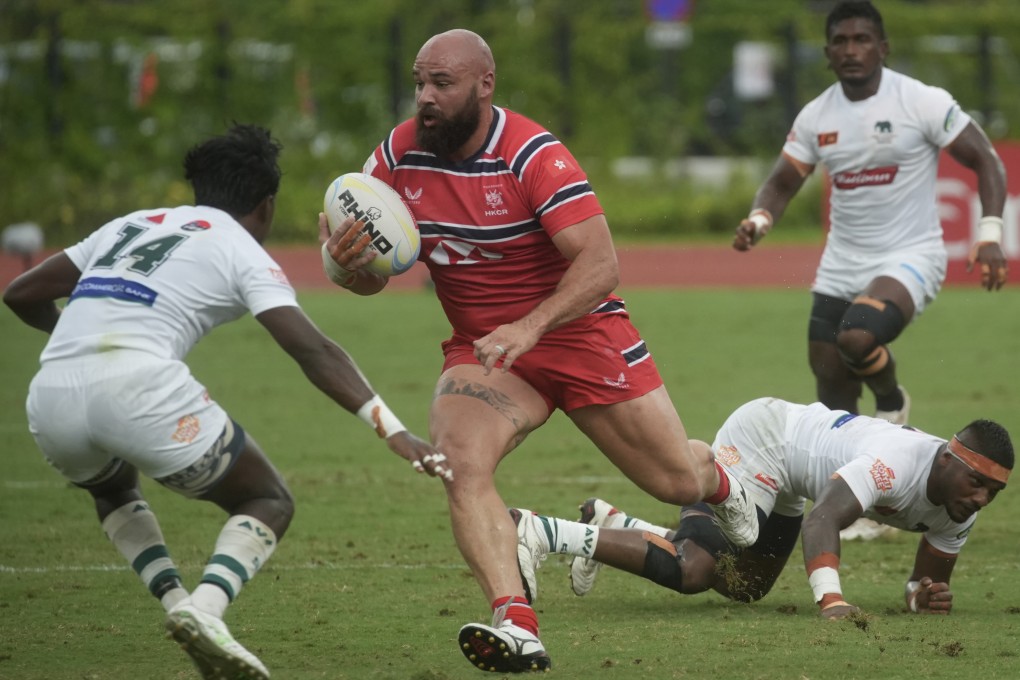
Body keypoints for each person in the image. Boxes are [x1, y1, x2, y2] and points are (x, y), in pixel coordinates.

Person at [318, 29, 759, 673]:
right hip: (487, 354)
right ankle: (516, 620)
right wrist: (342, 263)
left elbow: (602, 264)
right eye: (420, 82)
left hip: (579, 335)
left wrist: (529, 326)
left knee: (672, 480)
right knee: (459, 463)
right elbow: (372, 280)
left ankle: (721, 483)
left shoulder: (532, 154)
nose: (425, 98)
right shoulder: (395, 157)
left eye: (442, 84)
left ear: (484, 85)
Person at [3, 124, 449, 680]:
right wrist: (394, 430)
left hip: (50, 399)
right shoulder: (239, 246)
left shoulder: (129, 225)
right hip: (138, 387)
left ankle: (178, 608)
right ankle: (206, 609)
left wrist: (77, 340)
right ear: (266, 206)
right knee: (268, 500)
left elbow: (20, 294)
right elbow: (311, 350)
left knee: (112, 486)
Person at [732, 0, 1008, 542]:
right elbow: (784, 180)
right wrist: (761, 216)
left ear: (883, 47)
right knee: (829, 375)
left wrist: (991, 231)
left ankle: (890, 401)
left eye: (862, 39)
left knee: (857, 337)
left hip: (911, 256)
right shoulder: (817, 115)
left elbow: (986, 160)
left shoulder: (920, 101)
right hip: (841, 261)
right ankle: (857, 492)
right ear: (828, 53)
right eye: (841, 41)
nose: (852, 49)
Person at [512, 397, 1012, 620]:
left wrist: (917, 599)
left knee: (743, 584)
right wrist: (831, 601)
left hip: (792, 477)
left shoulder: (959, 510)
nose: (980, 498)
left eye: (993, 491)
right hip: (766, 440)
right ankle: (543, 530)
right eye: (976, 482)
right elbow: (825, 519)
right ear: (947, 458)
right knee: (694, 569)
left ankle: (614, 524)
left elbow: (918, 583)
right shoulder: (896, 463)